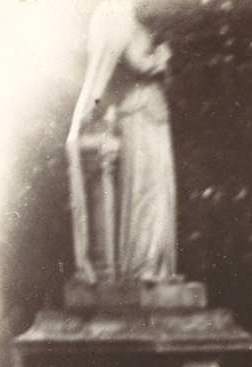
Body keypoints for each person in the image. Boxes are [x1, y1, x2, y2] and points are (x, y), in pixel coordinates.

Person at [67, 0, 176, 282]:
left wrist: (160, 59)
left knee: (158, 188)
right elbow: (135, 62)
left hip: (154, 112)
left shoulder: (139, 24)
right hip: (136, 111)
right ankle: (141, 266)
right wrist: (159, 59)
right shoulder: (118, 16)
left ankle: (157, 265)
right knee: (143, 188)